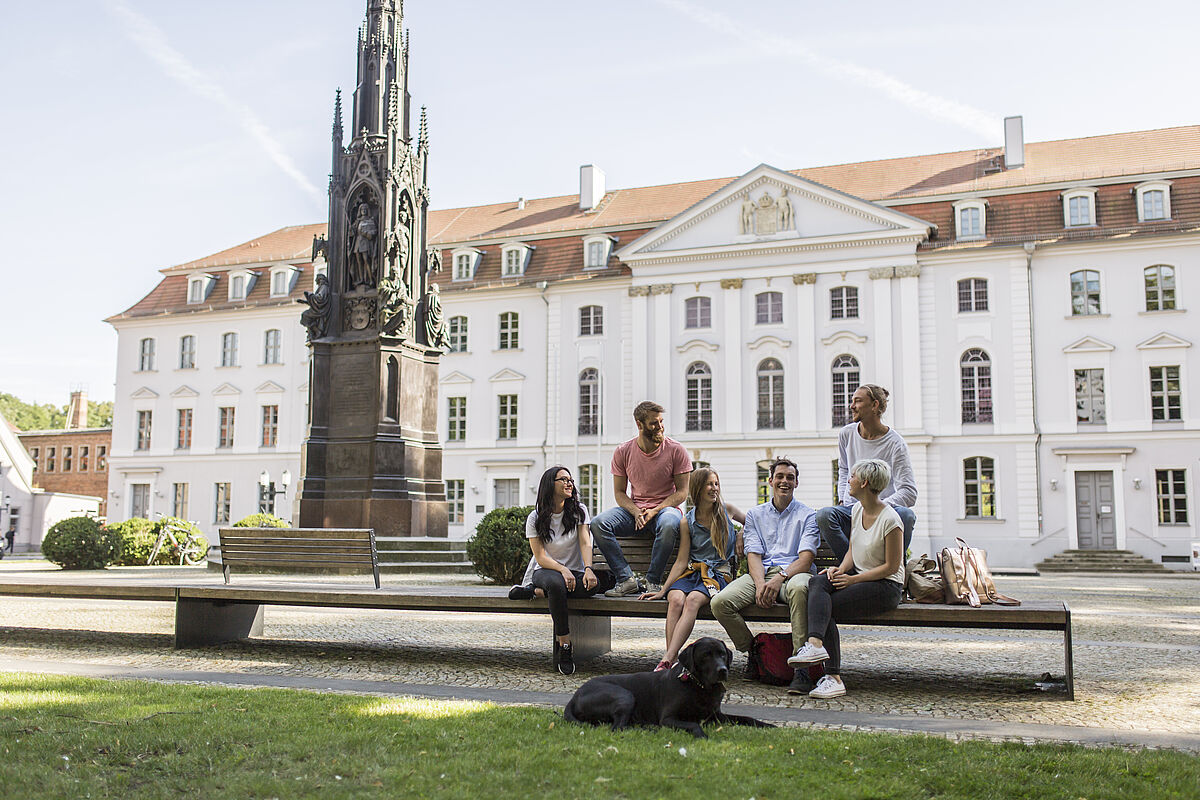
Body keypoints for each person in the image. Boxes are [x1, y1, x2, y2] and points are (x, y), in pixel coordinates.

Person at [789, 458, 905, 699]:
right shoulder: (856, 509)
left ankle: (833, 677)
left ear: (864, 482)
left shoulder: (891, 520)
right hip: (861, 579)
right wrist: (840, 570)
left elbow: (892, 567)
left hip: (885, 586)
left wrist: (853, 580)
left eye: (852, 477)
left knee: (825, 607)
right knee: (818, 582)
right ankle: (816, 645)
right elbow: (853, 548)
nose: (848, 481)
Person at [710, 458, 820, 695]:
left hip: (793, 573)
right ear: (770, 481)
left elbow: (805, 559)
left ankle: (801, 666)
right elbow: (754, 555)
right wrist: (760, 584)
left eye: (790, 477)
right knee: (720, 603)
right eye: (780, 476)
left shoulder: (807, 515)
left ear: (796, 483)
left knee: (801, 589)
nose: (784, 481)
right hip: (761, 574)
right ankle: (756, 653)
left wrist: (779, 578)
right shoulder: (756, 515)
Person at [639, 468, 737, 672]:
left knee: (692, 600)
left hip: (717, 575)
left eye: (716, 484)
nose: (714, 488)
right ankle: (672, 660)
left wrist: (744, 534)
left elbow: (754, 523)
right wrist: (662, 590)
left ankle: (667, 659)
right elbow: (682, 560)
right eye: (710, 484)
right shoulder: (687, 521)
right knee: (675, 600)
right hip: (692, 573)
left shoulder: (727, 511)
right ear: (698, 488)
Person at [591, 401, 691, 597]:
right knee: (598, 523)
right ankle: (626, 579)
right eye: (654, 423)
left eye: (661, 421)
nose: (660, 426)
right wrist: (636, 511)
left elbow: (682, 493)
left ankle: (653, 581)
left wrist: (655, 510)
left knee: (670, 523)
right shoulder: (623, 451)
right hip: (635, 512)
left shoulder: (676, 450)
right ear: (639, 424)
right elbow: (619, 493)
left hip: (665, 510)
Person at [816, 384, 916, 560]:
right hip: (852, 510)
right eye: (852, 401)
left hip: (884, 513)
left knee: (907, 516)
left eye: (858, 401)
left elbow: (909, 492)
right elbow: (845, 469)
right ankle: (855, 566)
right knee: (824, 516)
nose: (851, 406)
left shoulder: (895, 444)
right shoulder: (846, 434)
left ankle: (893, 568)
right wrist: (843, 499)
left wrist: (878, 507)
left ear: (875, 405)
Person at [522, 466, 604, 676]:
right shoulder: (535, 517)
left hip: (574, 572)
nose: (570, 483)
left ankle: (537, 592)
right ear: (551, 484)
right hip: (545, 571)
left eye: (570, 480)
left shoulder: (579, 511)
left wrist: (588, 569)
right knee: (557, 585)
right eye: (564, 480)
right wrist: (563, 570)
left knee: (593, 587)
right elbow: (540, 557)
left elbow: (586, 544)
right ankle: (565, 645)